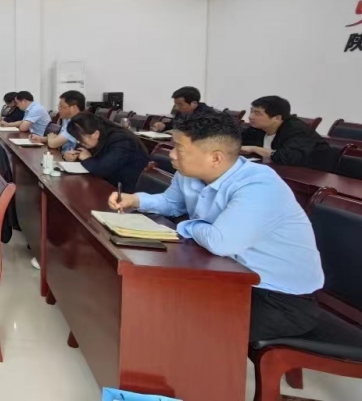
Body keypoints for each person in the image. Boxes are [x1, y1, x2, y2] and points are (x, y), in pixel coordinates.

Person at [110, 112, 324, 344]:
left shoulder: (259, 184)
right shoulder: (189, 174)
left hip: (279, 298)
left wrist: (185, 225)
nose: (171, 154)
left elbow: (220, 242)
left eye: (179, 149)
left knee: (177, 324)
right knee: (148, 301)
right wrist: (135, 200)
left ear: (215, 158)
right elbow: (171, 203)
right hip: (226, 274)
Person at [241, 96, 339, 172]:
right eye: (251, 111)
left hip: (310, 176)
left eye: (257, 113)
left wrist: (254, 149)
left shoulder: (298, 131)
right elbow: (237, 140)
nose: (250, 116)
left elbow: (286, 157)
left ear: (277, 118)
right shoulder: (257, 128)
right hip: (275, 172)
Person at [63, 113, 149, 193]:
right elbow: (81, 149)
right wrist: (71, 155)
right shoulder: (94, 130)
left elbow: (103, 169)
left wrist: (87, 158)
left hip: (127, 191)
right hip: (109, 183)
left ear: (96, 134)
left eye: (81, 140)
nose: (79, 143)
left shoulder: (122, 140)